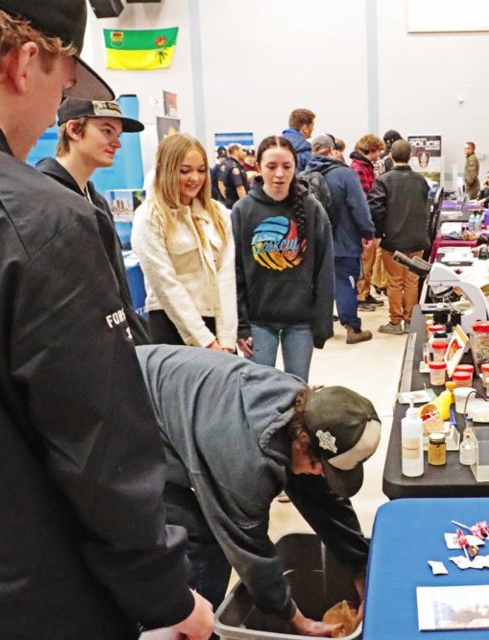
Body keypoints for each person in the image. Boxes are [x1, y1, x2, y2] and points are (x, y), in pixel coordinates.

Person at [0, 1, 213, 638]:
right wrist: (168, 596)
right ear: (24, 63)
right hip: (19, 597)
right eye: (64, 84)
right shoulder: (32, 218)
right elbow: (99, 452)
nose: (57, 111)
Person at [136, 344, 379, 637]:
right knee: (202, 537)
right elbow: (248, 549)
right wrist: (296, 620)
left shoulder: (306, 412)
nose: (319, 474)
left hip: (166, 392)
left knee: (210, 530)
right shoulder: (245, 463)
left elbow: (323, 498)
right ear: (302, 442)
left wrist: (361, 569)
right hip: (124, 417)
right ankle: (190, 629)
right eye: (319, 466)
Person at [37, 97, 152, 344]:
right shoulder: (42, 199)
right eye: (107, 131)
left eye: (118, 134)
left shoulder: (96, 202)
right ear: (74, 130)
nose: (117, 143)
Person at [232, 135, 334, 381]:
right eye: (271, 166)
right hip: (258, 321)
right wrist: (241, 324)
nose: (279, 174)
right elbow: (234, 272)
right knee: (257, 392)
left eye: (286, 167)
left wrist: (322, 322)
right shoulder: (243, 210)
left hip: (300, 321)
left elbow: (325, 268)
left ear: (296, 166)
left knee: (297, 393)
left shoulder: (312, 209)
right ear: (257, 166)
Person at [132, 133, 239, 351]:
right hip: (171, 326)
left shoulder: (217, 213)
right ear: (165, 169)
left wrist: (227, 340)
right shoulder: (150, 217)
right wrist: (204, 341)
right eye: (185, 170)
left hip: (218, 328)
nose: (195, 178)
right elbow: (165, 284)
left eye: (201, 170)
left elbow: (226, 277)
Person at [307, 135, 375, 344]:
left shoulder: (304, 175)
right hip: (343, 242)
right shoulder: (345, 174)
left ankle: (319, 328)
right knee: (345, 282)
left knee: (317, 285)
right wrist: (368, 232)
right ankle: (352, 327)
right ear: (333, 151)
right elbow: (359, 207)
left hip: (313, 243)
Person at [369, 139, 431, 335]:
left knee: (395, 281)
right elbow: (426, 208)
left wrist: (378, 233)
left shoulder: (383, 180)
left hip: (393, 239)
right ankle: (410, 321)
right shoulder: (421, 180)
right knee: (412, 280)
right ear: (411, 156)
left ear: (391, 156)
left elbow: (376, 210)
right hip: (416, 238)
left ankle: (395, 322)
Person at [350, 133, 387, 309]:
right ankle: (360, 297)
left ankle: (366, 292)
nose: (379, 154)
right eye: (378, 150)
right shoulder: (358, 167)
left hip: (368, 220)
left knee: (369, 260)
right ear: (371, 149)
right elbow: (363, 199)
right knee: (364, 261)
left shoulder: (365, 166)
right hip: (363, 222)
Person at [282, 107, 316, 172]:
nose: (313, 129)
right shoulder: (306, 152)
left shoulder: (275, 146)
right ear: (305, 128)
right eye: (312, 126)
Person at [222, 142, 249, 209]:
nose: (244, 153)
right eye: (242, 150)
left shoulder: (232, 164)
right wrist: (246, 206)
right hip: (236, 204)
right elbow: (240, 188)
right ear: (236, 151)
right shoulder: (234, 167)